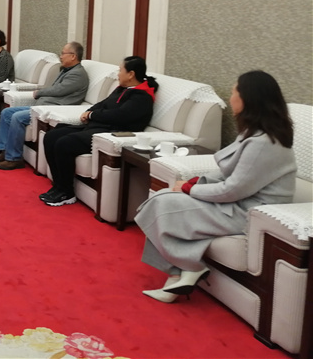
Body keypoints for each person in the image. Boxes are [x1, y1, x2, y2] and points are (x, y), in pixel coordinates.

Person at [135, 71, 296, 303]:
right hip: (236, 204)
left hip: (248, 214)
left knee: (160, 204)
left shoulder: (264, 142)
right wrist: (194, 182)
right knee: (162, 198)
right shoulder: (254, 133)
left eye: (233, 92)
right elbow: (226, 173)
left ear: (248, 98)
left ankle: (188, 267)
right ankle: (178, 274)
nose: (230, 97)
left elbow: (232, 190)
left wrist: (189, 190)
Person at [40, 55, 158, 207]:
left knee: (64, 143)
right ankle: (58, 186)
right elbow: (103, 103)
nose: (118, 74)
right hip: (98, 126)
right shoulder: (123, 89)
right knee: (51, 136)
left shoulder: (142, 97)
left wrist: (92, 115)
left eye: (120, 70)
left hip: (112, 133)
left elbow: (120, 116)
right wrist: (89, 111)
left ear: (131, 74)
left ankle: (67, 192)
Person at [0, 42, 89, 170]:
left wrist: (39, 93)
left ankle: (14, 158)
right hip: (41, 106)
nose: (60, 56)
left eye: (63, 53)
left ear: (73, 56)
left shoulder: (78, 74)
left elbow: (58, 90)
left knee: (17, 117)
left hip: (52, 109)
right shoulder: (67, 70)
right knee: (6, 112)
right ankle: (4, 151)